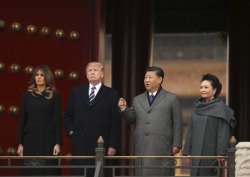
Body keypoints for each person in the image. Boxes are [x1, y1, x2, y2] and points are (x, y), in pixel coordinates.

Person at [118, 66, 182, 176]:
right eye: (145, 77)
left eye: (150, 77)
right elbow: (132, 119)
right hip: (142, 145)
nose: (147, 80)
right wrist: (124, 109)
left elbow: (177, 123)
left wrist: (177, 144)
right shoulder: (137, 99)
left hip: (162, 145)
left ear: (160, 79)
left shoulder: (171, 99)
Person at [64, 61, 121, 176]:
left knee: (99, 173)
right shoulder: (76, 92)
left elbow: (115, 121)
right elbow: (68, 115)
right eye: (89, 70)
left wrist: (113, 145)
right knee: (80, 173)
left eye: (95, 70)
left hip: (101, 144)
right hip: (80, 143)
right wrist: (71, 131)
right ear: (86, 74)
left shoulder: (112, 94)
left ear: (102, 74)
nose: (92, 72)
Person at [183, 73, 236, 176]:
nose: (203, 89)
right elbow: (191, 130)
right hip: (195, 152)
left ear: (214, 90)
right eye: (201, 87)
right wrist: (187, 151)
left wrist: (221, 153)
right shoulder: (198, 107)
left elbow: (223, 133)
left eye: (206, 87)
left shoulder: (221, 109)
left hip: (211, 153)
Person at [16, 65, 62, 176]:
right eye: (36, 75)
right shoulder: (27, 96)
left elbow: (57, 120)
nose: (39, 77)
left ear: (47, 77)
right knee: (31, 171)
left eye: (42, 75)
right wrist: (20, 143)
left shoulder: (54, 95)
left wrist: (57, 143)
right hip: (30, 140)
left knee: (47, 171)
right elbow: (22, 120)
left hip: (48, 140)